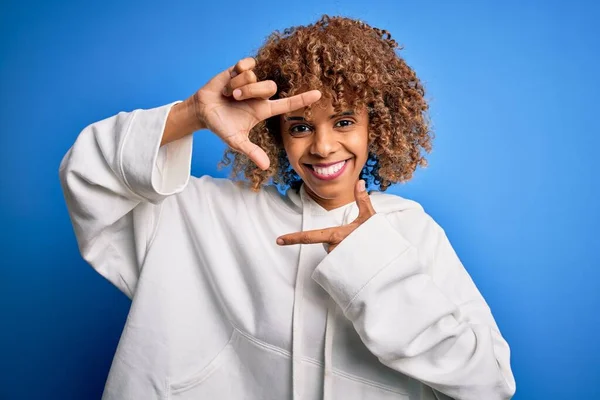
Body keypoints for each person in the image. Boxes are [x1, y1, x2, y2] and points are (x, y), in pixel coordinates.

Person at [59, 15, 516, 400]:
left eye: (343, 121)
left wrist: (373, 262)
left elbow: (487, 380)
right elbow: (89, 176)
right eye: (299, 126)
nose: (322, 146)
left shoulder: (411, 231)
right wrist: (194, 114)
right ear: (274, 135)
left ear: (375, 127)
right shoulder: (208, 216)